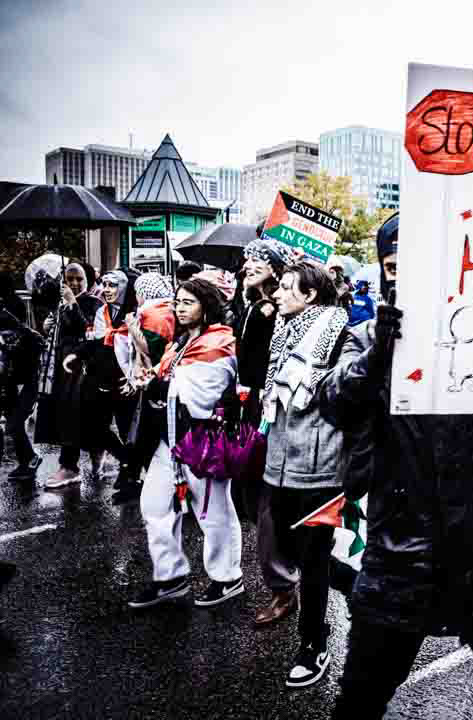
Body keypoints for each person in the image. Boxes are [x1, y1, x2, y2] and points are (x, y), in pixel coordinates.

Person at [320, 214, 473, 719]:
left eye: (418, 265)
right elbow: (333, 402)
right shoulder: (368, 335)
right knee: (361, 694)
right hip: (401, 550)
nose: (402, 276)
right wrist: (379, 356)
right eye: (392, 266)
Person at [261, 260, 359, 687]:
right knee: (289, 547)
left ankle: (313, 644)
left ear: (311, 295)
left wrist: (312, 376)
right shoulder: (282, 332)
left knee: (313, 557)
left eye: (285, 288)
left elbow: (350, 387)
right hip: (279, 461)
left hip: (321, 464)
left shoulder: (342, 331)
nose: (276, 294)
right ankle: (358, 584)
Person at [127, 278, 243, 609]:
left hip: (202, 441)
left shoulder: (219, 342)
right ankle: (170, 577)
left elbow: (200, 396)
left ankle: (228, 577)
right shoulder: (179, 343)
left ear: (206, 306)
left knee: (213, 512)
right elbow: (166, 381)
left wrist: (159, 388)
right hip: (169, 440)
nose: (179, 308)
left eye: (188, 302)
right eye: (177, 301)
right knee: (154, 505)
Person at [234, 238, 306, 627]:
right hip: (248, 412)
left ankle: (284, 589)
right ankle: (289, 571)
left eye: (258, 259)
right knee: (248, 497)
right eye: (247, 258)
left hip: (275, 414)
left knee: (266, 507)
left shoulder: (278, 312)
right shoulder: (249, 308)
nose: (248, 264)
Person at [57, 269, 139, 491]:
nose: (107, 290)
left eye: (113, 285)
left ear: (125, 288)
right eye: (105, 284)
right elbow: (97, 341)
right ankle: (126, 461)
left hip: (126, 382)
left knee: (126, 429)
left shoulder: (136, 313)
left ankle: (131, 473)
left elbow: (141, 350)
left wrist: (136, 376)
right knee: (94, 426)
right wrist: (78, 354)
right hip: (100, 379)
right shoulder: (103, 311)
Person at [111, 272, 176, 504]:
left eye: (139, 292)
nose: (136, 297)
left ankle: (158, 488)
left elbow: (149, 348)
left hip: (155, 383)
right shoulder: (157, 310)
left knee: (149, 437)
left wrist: (131, 325)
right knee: (143, 436)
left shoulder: (157, 314)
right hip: (150, 382)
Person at [41, 263, 104, 486]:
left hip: (82, 368)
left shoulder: (95, 303)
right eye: (69, 279)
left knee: (77, 415)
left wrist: (72, 303)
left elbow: (88, 332)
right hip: (62, 367)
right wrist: (49, 326)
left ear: (88, 280)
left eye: (79, 279)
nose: (74, 284)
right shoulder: (60, 304)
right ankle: (76, 461)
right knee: (67, 415)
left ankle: (71, 465)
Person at [0, 303, 45, 478]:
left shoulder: (28, 337)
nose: (7, 338)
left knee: (14, 424)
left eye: (9, 335)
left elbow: (38, 342)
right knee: (13, 424)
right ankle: (27, 461)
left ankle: (30, 459)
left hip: (27, 385)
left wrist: (9, 343)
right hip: (9, 385)